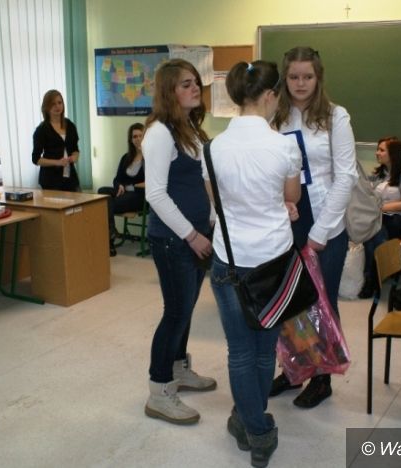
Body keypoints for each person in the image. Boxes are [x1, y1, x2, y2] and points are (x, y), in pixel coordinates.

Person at [208, 61, 301, 468]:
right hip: (273, 261)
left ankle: (247, 421)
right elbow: (292, 196)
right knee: (264, 350)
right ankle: (258, 430)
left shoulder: (212, 148)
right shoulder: (284, 146)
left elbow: (217, 203)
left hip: (229, 260)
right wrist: (279, 206)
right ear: (268, 96)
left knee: (240, 351)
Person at [269, 46, 358, 409]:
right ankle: (294, 369)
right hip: (287, 219)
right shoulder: (275, 116)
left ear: (318, 77)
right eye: (293, 77)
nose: (300, 83)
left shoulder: (336, 116)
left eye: (307, 76)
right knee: (289, 302)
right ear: (285, 78)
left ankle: (322, 379)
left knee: (322, 303)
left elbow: (346, 176)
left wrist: (320, 232)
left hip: (325, 222)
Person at [142, 59, 216, 426]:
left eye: (196, 82)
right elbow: (155, 194)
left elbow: (203, 181)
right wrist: (191, 234)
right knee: (175, 312)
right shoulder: (159, 133)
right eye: (186, 84)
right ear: (169, 91)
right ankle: (159, 391)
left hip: (197, 234)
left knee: (185, 309)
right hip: (174, 240)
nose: (195, 88)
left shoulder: (190, 129)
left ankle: (178, 368)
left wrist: (212, 222)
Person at [358, 136, 401, 298]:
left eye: (381, 150)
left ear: (393, 153)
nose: (377, 153)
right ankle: (373, 277)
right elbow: (367, 198)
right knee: (372, 236)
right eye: (377, 149)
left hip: (396, 220)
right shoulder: (375, 175)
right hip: (376, 218)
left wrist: (380, 207)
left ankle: (371, 280)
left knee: (376, 235)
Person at [97, 123, 146, 256]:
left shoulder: (150, 157)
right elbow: (117, 179)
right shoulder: (126, 157)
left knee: (105, 203)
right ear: (131, 140)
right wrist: (118, 185)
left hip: (139, 196)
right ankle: (111, 232)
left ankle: (109, 239)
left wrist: (134, 186)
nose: (138, 139)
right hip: (124, 193)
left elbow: (151, 181)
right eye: (134, 136)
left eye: (140, 136)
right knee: (102, 192)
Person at [31, 89, 80, 192]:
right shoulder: (42, 130)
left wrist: (75, 157)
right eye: (53, 104)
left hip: (70, 179)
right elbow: (36, 159)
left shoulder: (70, 125)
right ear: (46, 107)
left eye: (59, 103)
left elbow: (75, 150)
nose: (57, 106)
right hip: (50, 180)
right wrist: (57, 162)